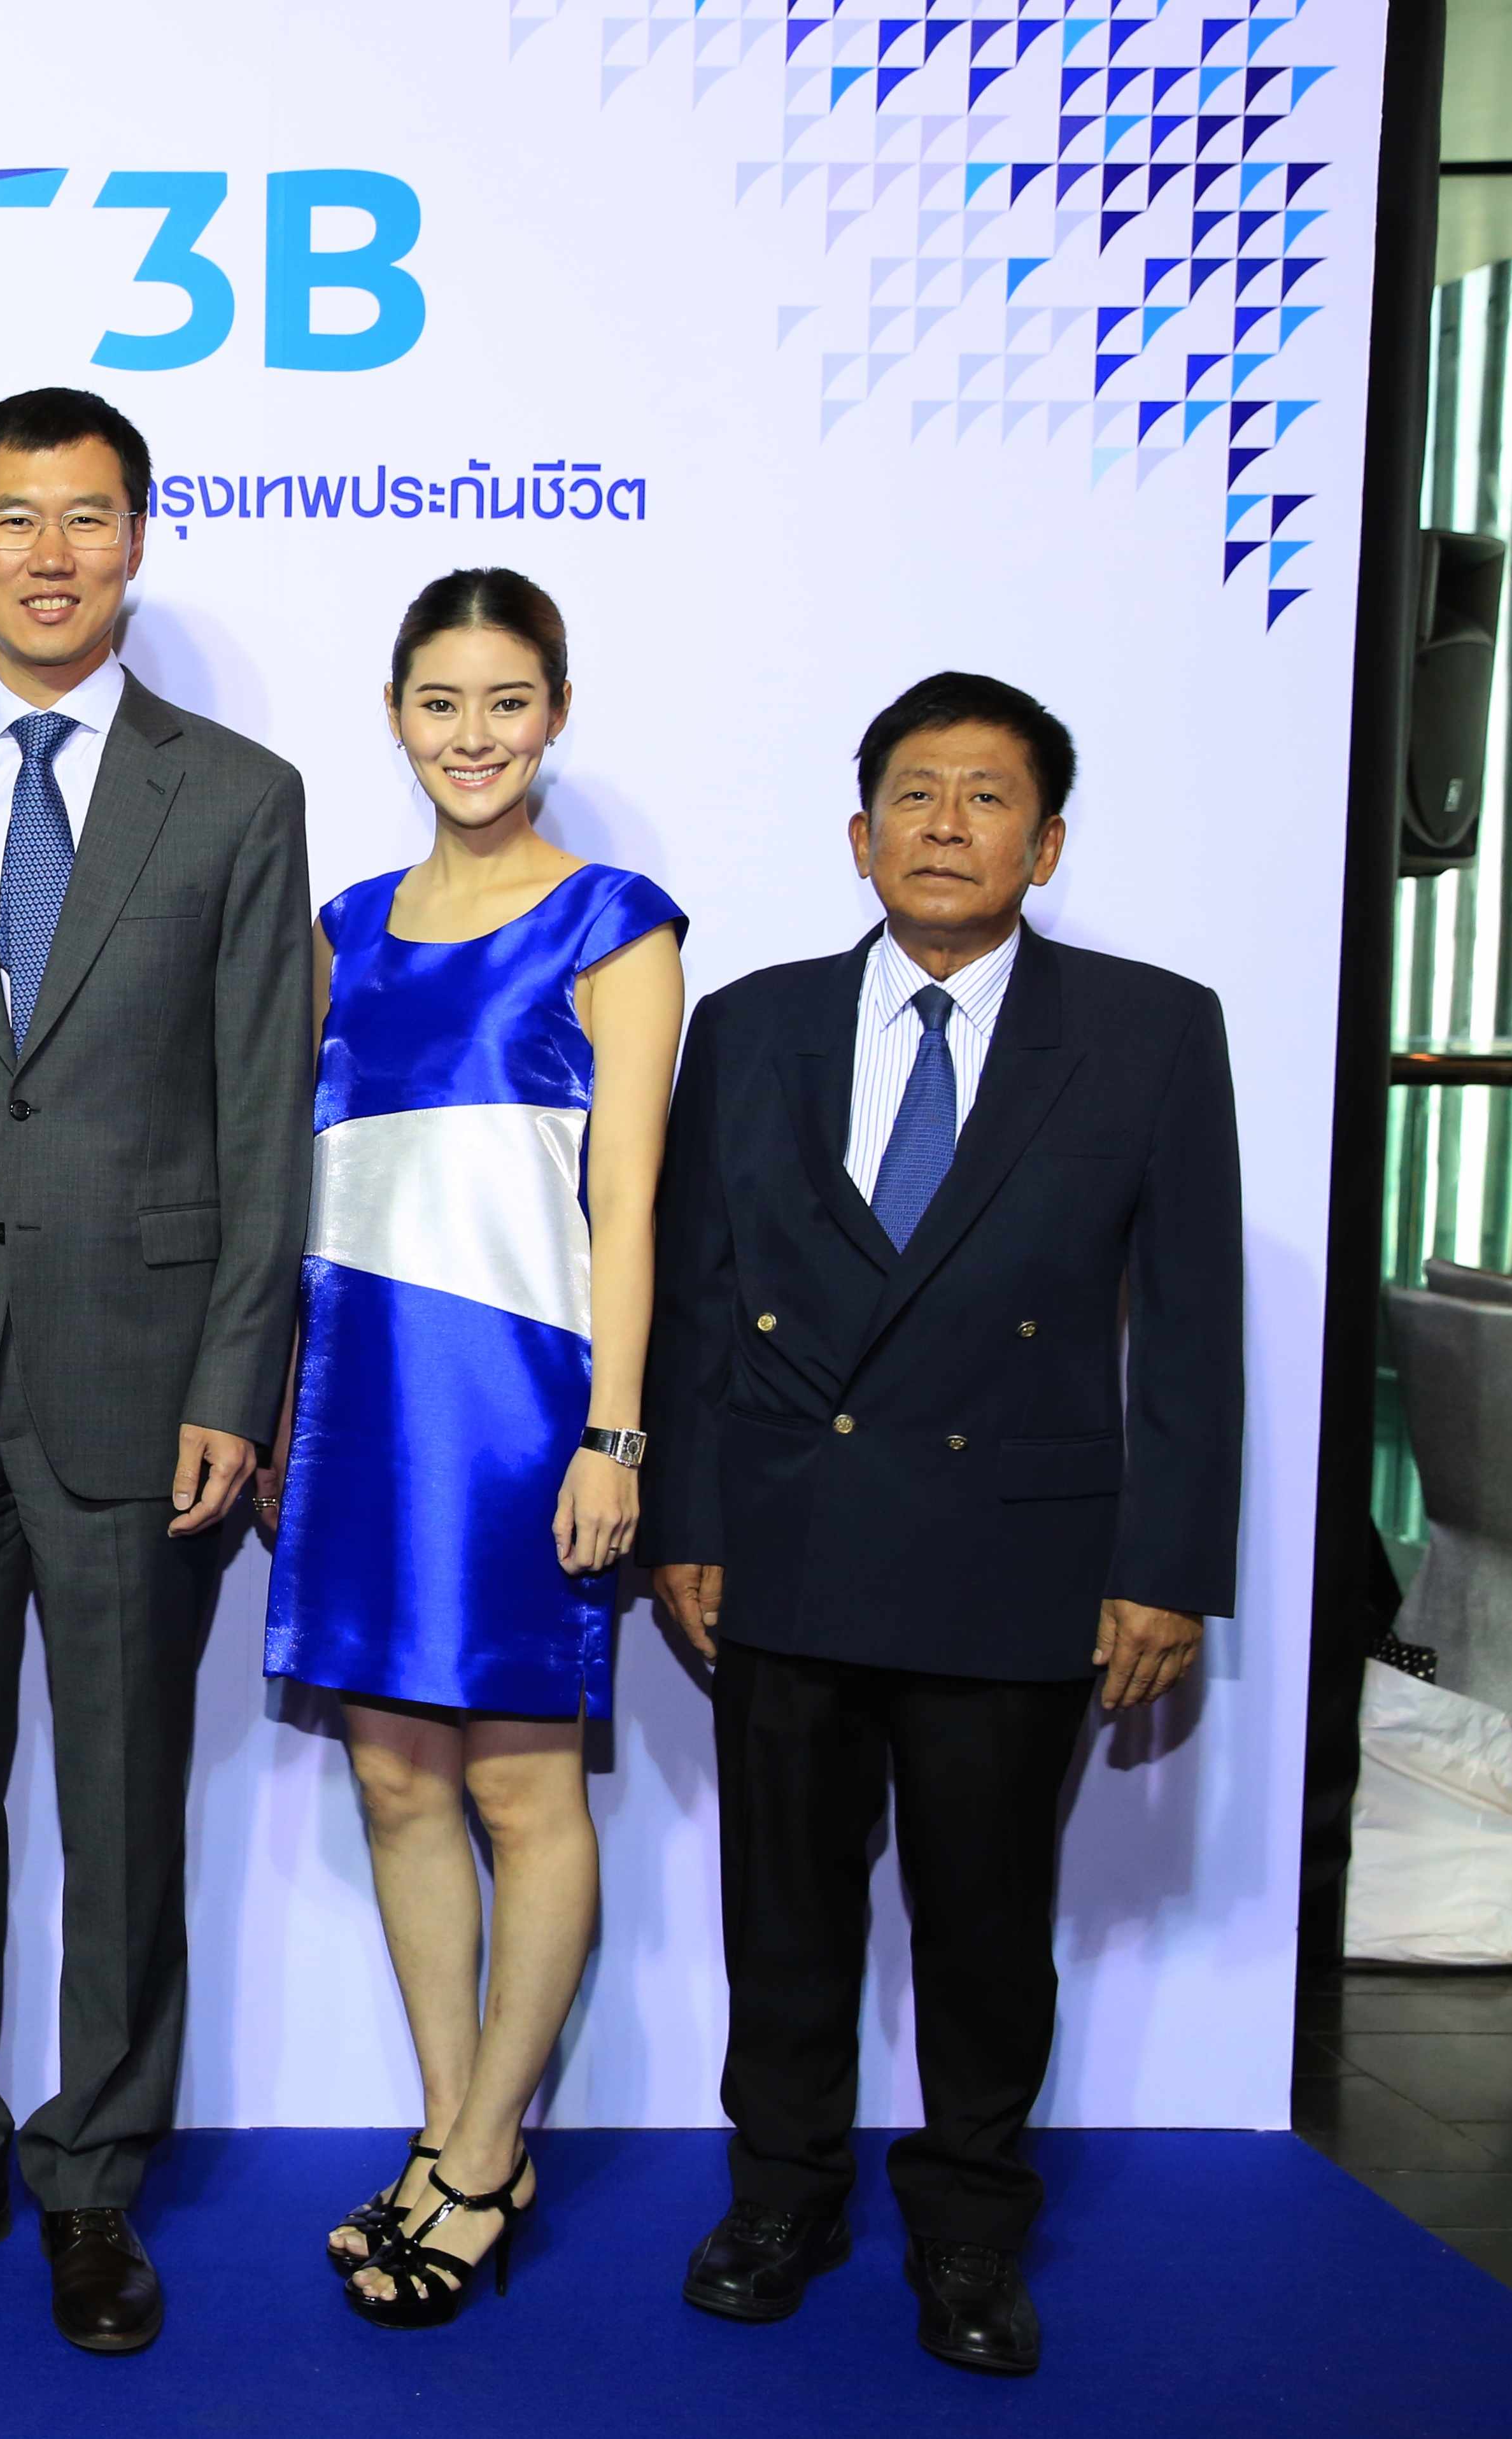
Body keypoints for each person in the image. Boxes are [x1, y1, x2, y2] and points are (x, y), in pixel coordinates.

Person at [644, 671, 1241, 2377]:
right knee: (784, 1917)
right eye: (913, 794)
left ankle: (971, 2229)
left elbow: (1189, 1322)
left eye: (987, 798)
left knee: (985, 1929)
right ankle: (780, 2197)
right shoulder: (750, 1024)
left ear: (1045, 846)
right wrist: (687, 1516)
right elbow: (695, 1293)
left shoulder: (1146, 1030)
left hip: (1017, 1556)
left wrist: (1165, 1569)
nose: (945, 825)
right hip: (784, 1543)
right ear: (858, 836)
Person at [0, 387, 311, 2353]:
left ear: (137, 538)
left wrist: (233, 1382)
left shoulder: (237, 797)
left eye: (85, 516)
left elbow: (262, 1116)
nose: (48, 553)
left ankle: (92, 2184)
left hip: (140, 1386)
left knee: (119, 1813)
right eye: (12, 516)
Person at [258, 571, 685, 2328]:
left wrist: (613, 1433)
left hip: (525, 1416)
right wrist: (281, 1404)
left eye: (507, 701)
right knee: (394, 1783)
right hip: (364, 1406)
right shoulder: (344, 930)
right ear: (393, 716)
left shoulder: (612, 923)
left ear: (556, 714)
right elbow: (304, 1190)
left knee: (521, 1790)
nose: (473, 736)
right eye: (440, 702)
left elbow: (630, 1204)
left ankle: (493, 2151)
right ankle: (449, 2136)